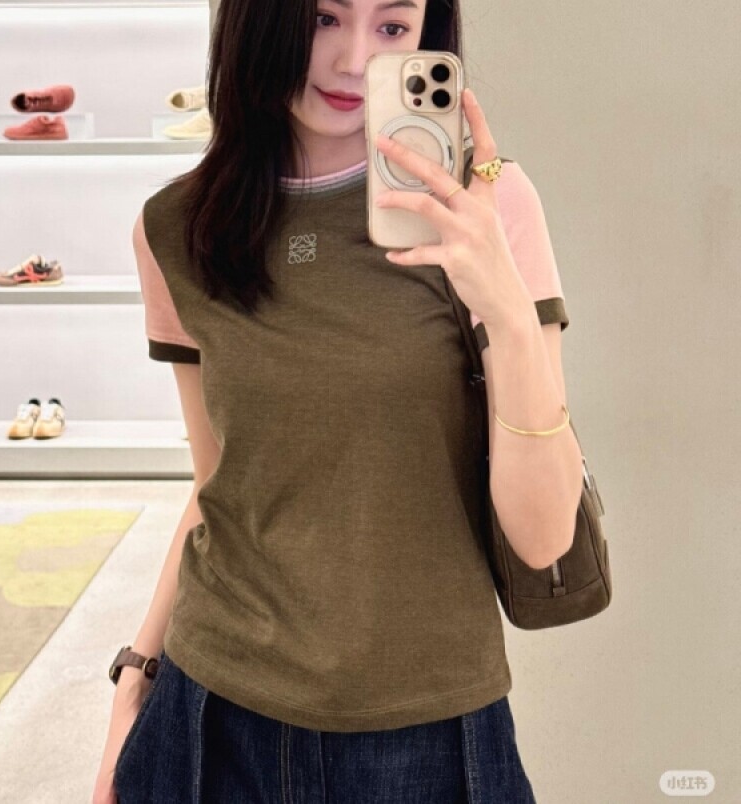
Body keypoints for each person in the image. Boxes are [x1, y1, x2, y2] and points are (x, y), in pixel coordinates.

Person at [93, 0, 584, 801]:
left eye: (393, 26)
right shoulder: (178, 228)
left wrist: (504, 306)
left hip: (424, 730)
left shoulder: (487, 208)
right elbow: (217, 484)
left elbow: (544, 537)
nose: (356, 60)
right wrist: (136, 676)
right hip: (211, 709)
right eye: (324, 17)